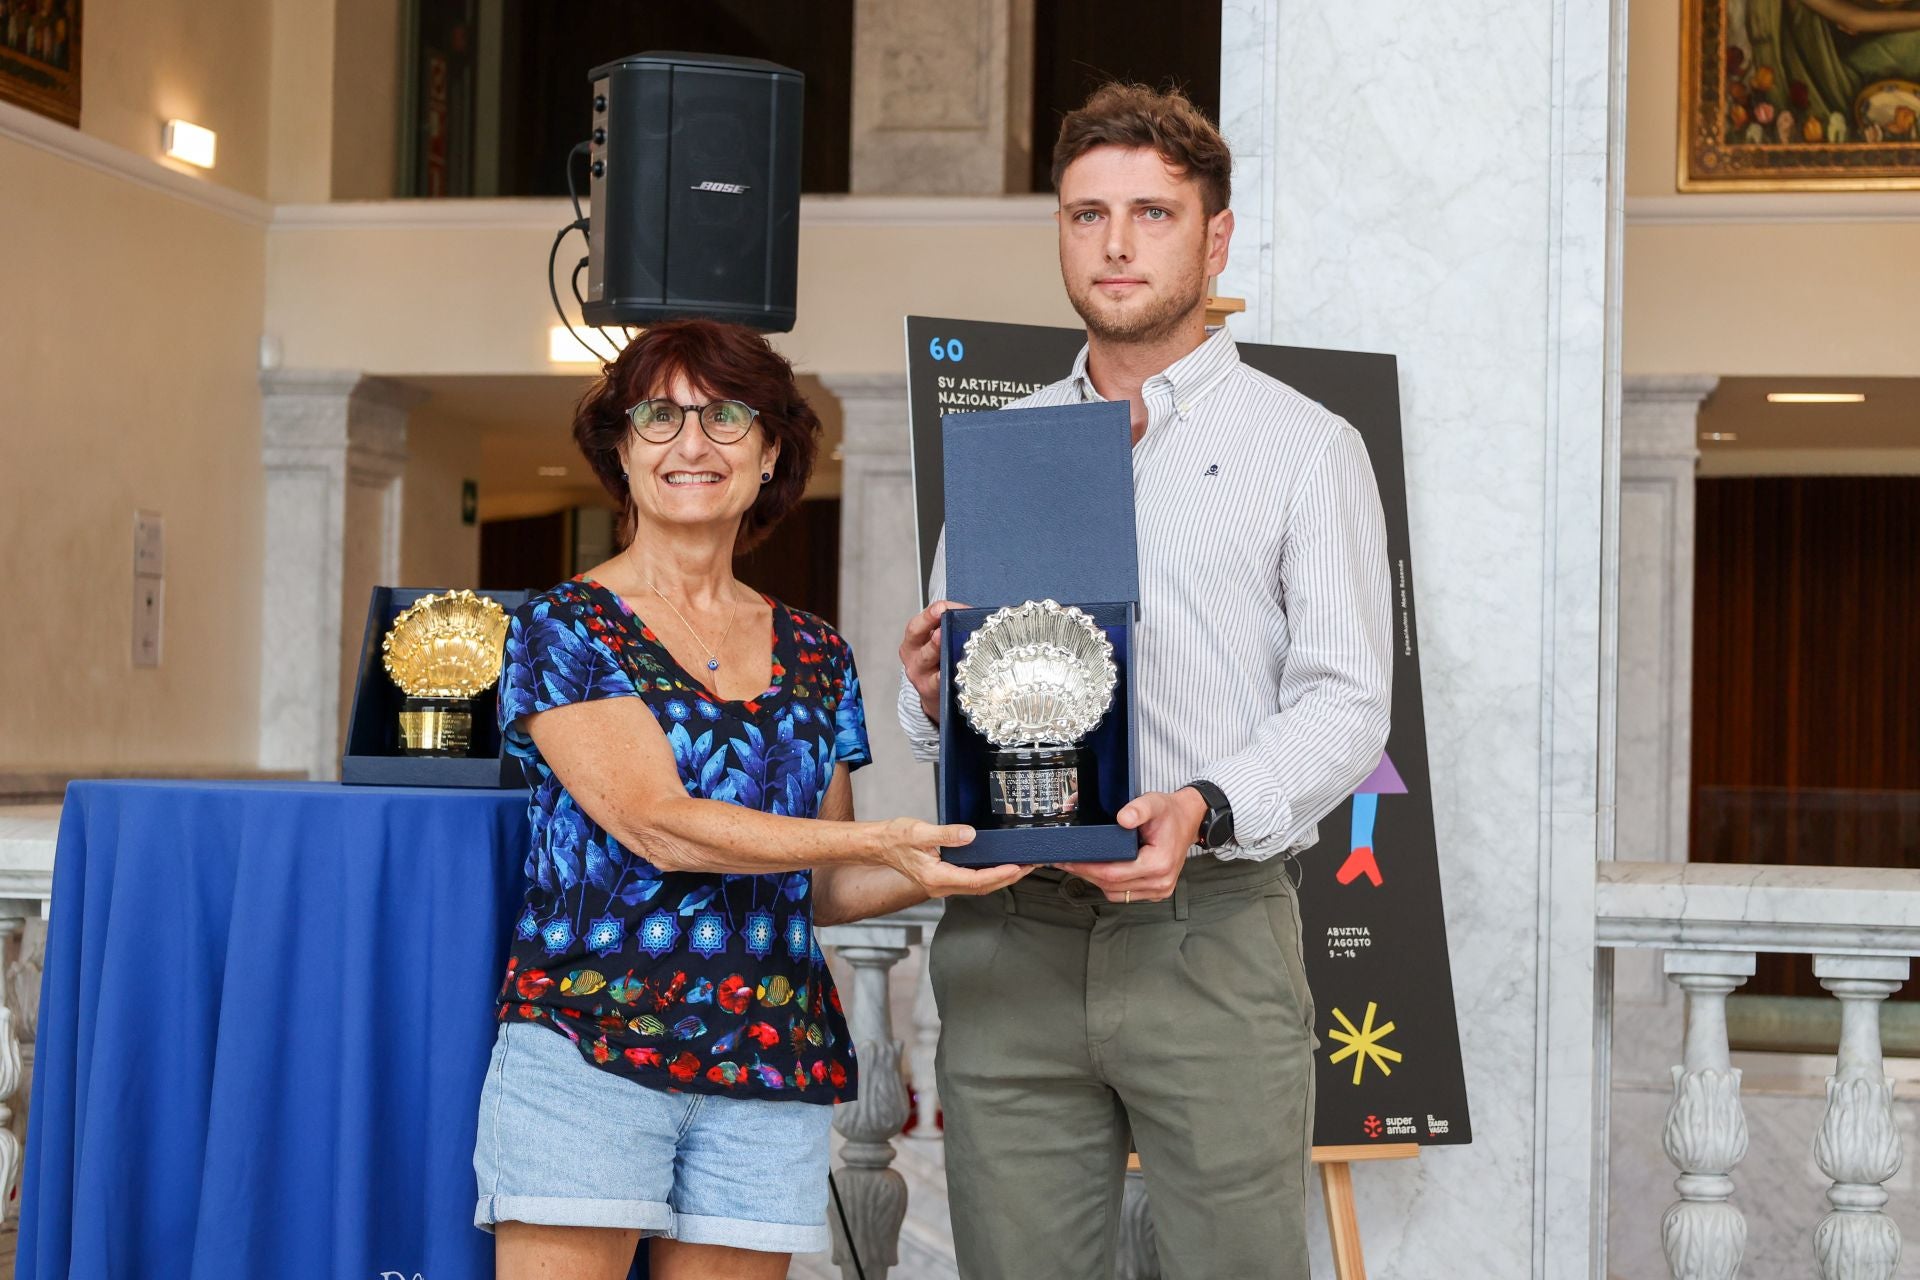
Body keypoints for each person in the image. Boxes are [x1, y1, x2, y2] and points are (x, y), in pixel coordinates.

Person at [896, 84, 1394, 1278]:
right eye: (1086, 215)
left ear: (1214, 239)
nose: (1116, 243)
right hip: (1007, 933)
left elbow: (1346, 699)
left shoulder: (1305, 446)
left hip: (1208, 935)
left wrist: (1203, 806)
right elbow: (976, 712)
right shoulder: (1003, 447)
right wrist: (931, 697)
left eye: (1153, 214)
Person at [474, 318, 1028, 1280]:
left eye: (725, 416)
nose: (692, 443)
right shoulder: (564, 625)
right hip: (590, 1046)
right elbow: (657, 825)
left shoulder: (816, 651)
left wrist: (959, 854)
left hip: (768, 1059)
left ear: (771, 451)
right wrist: (888, 837)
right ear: (622, 448)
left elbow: (822, 883)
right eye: (660, 416)